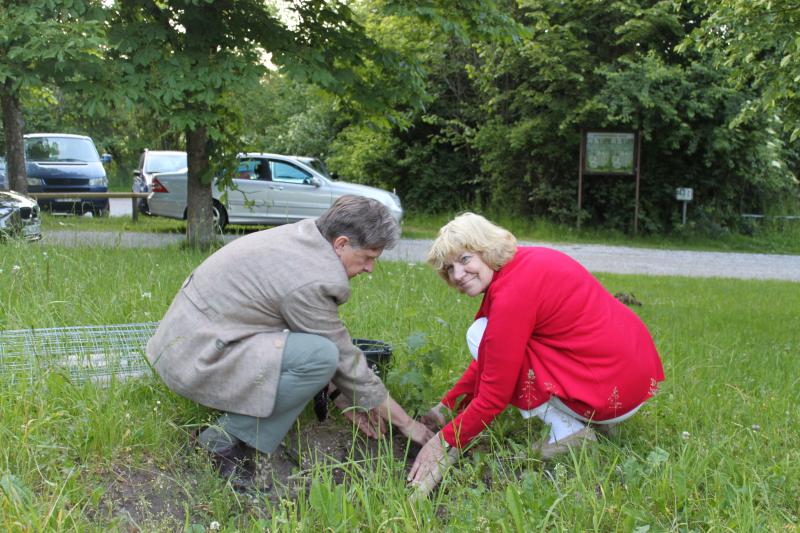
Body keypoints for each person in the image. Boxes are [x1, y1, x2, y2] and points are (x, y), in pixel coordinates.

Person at [147, 195, 433, 488]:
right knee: (322, 355)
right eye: (369, 257)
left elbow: (304, 328)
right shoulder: (313, 278)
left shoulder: (305, 236)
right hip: (195, 358)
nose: (371, 268)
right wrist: (407, 424)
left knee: (318, 351)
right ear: (342, 244)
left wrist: (342, 398)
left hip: (185, 341)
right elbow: (342, 357)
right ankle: (221, 440)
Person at [408, 213, 664, 496]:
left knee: (477, 332)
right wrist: (446, 408)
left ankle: (570, 432)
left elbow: (494, 396)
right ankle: (599, 422)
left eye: (465, 259)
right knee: (487, 337)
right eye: (448, 269)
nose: (457, 275)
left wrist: (442, 445)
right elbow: (493, 353)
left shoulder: (511, 295)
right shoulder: (526, 263)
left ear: (485, 249)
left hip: (611, 391)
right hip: (629, 380)